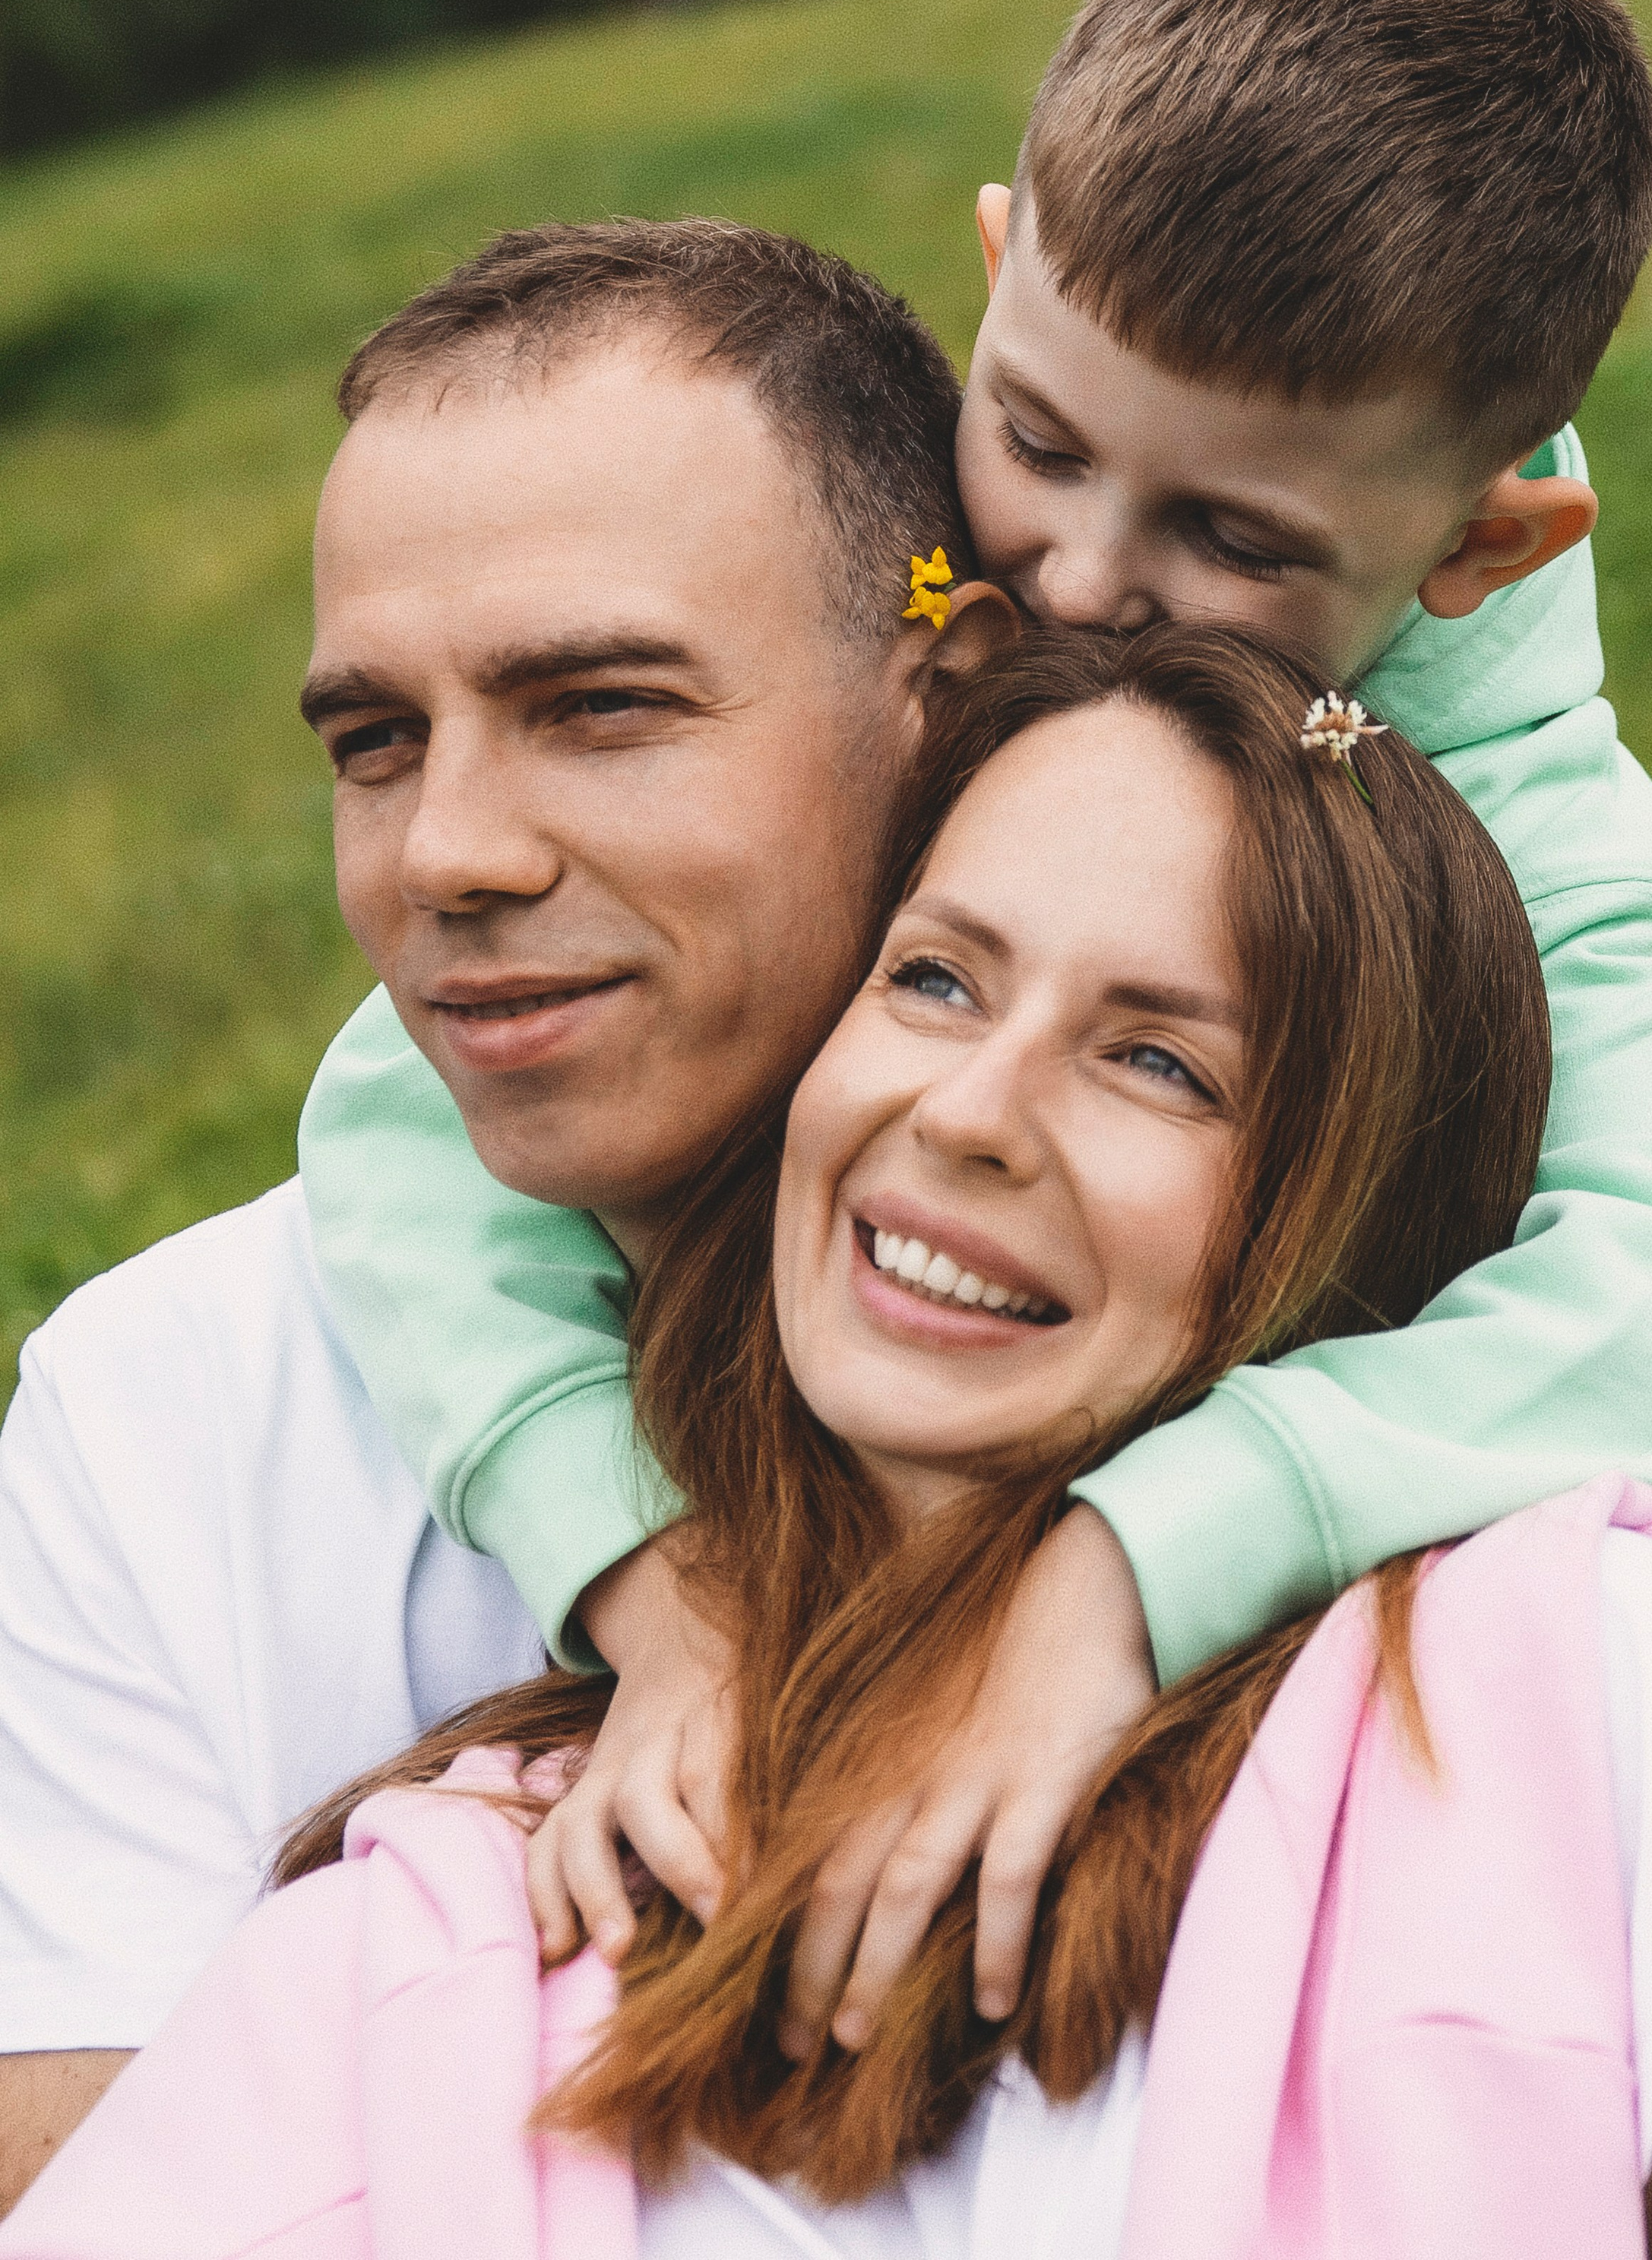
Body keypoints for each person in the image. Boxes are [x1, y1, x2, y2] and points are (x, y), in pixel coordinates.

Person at [290, 0, 1652, 2033]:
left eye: (1234, 542)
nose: (1080, 586)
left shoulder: (1509, 782)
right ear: (1003, 270)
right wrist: (657, 1577)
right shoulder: (947, 587)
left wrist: (1125, 1570)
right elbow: (400, 1097)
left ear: (1480, 541)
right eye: (1042, 442)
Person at [6, 628, 1652, 2260]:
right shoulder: (440, 1933)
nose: (971, 1112)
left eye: (1158, 1060)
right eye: (932, 979)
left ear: (1345, 1227)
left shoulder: (1566, 1687)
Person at [0, 226, 1015, 2210]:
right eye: (375, 741)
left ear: (945, 701)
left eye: (601, 705)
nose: (446, 854)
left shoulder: (1221, 1301)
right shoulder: (162, 1411)